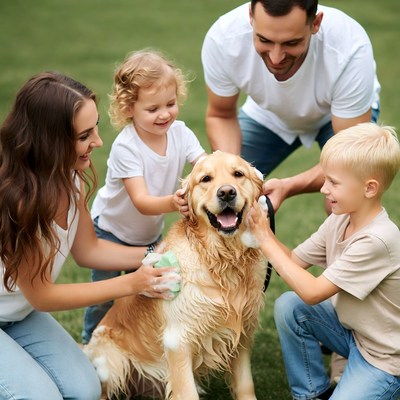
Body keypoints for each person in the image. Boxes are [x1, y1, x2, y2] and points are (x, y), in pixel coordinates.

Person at [0, 72, 180, 400]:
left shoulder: (71, 178)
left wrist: (162, 253)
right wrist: (131, 283)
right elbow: (43, 296)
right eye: (85, 135)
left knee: (85, 390)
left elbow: (89, 250)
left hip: (18, 315)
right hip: (20, 307)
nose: (97, 141)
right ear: (50, 142)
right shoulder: (19, 200)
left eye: (95, 128)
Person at [248, 123, 400, 400]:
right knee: (289, 306)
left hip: (383, 358)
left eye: (334, 182)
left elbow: (313, 291)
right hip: (352, 334)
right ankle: (311, 393)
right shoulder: (340, 218)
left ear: (369, 188)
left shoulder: (377, 240)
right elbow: (293, 261)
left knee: (300, 298)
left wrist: (265, 239)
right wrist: (262, 231)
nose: (323, 190)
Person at [201, 0, 381, 212]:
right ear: (251, 15)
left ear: (315, 23)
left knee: (344, 201)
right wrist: (230, 175)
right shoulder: (223, 38)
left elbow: (348, 154)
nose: (276, 58)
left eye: (291, 43)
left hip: (338, 118)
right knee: (219, 197)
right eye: (264, 40)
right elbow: (221, 115)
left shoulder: (350, 47)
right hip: (267, 114)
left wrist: (288, 186)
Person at [82, 50, 206, 344]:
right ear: (129, 108)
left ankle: (142, 343)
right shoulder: (127, 147)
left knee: (154, 289)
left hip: (149, 234)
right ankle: (92, 342)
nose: (164, 114)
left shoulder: (181, 133)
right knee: (107, 294)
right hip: (110, 232)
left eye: (171, 104)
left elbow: (203, 164)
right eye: (152, 109)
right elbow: (141, 200)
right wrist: (173, 203)